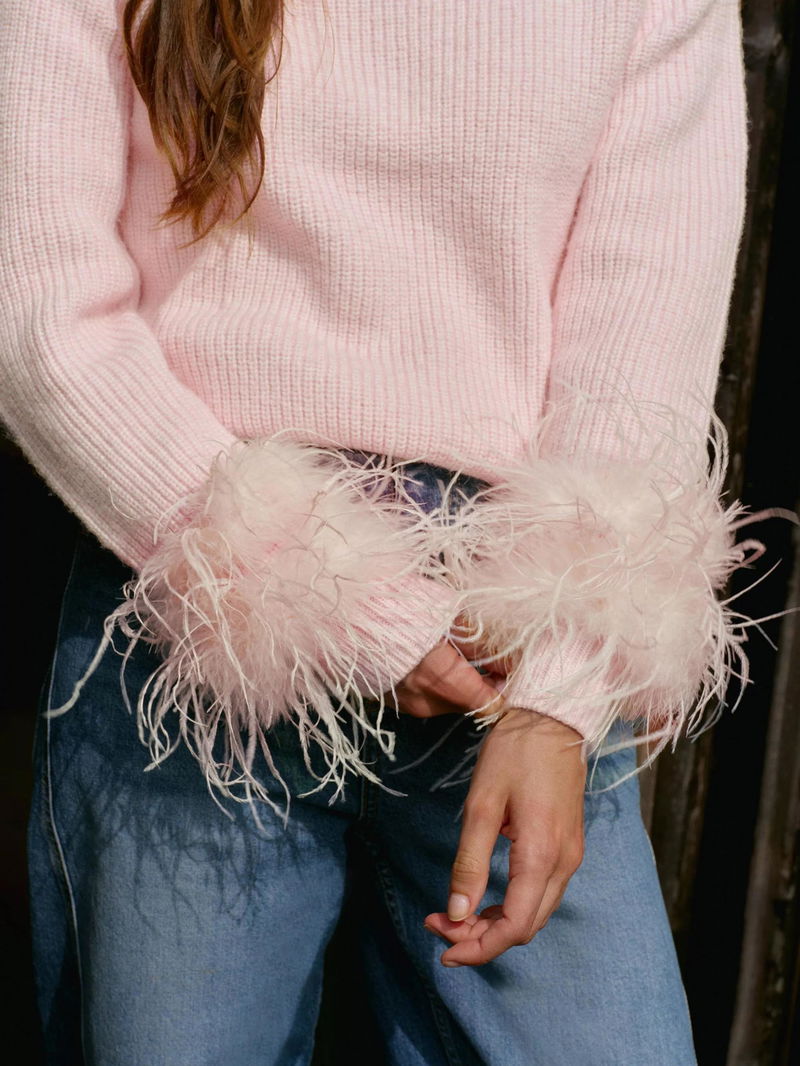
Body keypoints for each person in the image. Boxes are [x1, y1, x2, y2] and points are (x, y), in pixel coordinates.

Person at [2, 1, 795, 1063]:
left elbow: (642, 344)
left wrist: (559, 700)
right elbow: (41, 308)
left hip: (507, 630)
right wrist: (329, 595)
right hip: (194, 609)